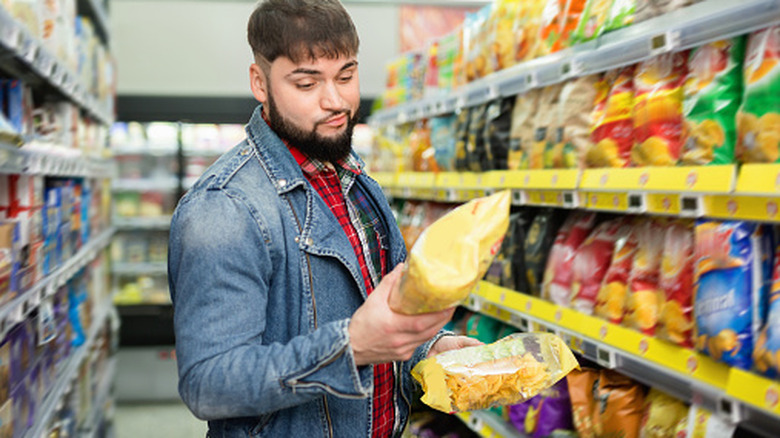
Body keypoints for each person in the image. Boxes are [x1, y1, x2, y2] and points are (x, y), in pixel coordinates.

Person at [167, 1, 480, 436]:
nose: (335, 101)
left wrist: (430, 349)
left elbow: (381, 317)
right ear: (260, 82)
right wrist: (349, 347)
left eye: (346, 76)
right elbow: (209, 384)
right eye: (306, 82)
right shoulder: (225, 209)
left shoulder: (355, 179)